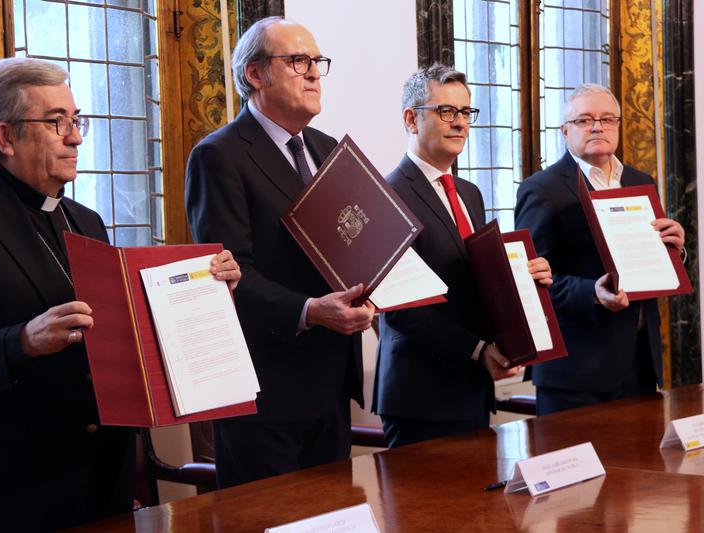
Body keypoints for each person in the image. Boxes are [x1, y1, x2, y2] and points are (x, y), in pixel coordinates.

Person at [0, 57, 240, 532]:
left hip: (101, 472)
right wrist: (24, 339)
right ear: (4, 137)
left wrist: (206, 290)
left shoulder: (86, 220)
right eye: (56, 122)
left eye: (76, 119)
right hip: (13, 484)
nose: (76, 137)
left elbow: (121, 330)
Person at [185, 17, 375, 488]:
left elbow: (346, 246)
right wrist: (309, 311)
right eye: (298, 61)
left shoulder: (329, 149)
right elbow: (227, 276)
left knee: (332, 519)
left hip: (331, 381)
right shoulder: (220, 155)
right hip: (264, 391)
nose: (313, 73)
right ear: (255, 74)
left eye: (316, 62)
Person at [372, 63, 553, 448]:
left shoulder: (469, 193)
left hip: (472, 388)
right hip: (421, 396)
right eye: (446, 111)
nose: (459, 123)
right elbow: (401, 307)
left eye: (465, 112)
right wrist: (477, 350)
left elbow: (477, 280)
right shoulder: (386, 195)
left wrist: (523, 277)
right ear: (411, 119)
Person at [514, 83, 684, 415]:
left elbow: (650, 262)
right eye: (584, 120)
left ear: (619, 126)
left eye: (607, 119)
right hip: (576, 372)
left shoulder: (640, 181)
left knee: (641, 468)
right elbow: (532, 281)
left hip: (639, 364)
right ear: (565, 130)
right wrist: (591, 292)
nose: (597, 126)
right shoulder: (542, 190)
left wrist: (675, 249)